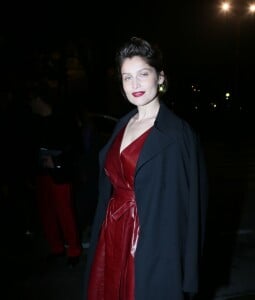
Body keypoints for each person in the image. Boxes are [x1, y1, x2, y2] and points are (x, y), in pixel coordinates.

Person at [83, 37, 208, 300]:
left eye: (143, 74)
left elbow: (192, 207)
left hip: (150, 244)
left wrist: (188, 275)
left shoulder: (177, 134)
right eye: (127, 77)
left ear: (160, 78)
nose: (134, 84)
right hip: (112, 232)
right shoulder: (124, 123)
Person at [28, 82, 82, 267]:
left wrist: (57, 161)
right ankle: (56, 248)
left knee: (65, 212)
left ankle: (73, 250)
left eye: (33, 100)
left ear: (40, 100)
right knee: (46, 213)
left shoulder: (63, 120)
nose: (31, 104)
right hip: (41, 173)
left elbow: (75, 147)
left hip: (60, 173)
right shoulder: (34, 122)